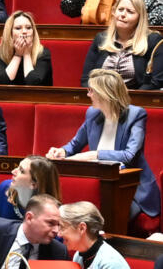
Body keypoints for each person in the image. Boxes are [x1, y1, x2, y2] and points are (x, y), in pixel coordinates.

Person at [47, 69, 162, 235]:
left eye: (91, 90)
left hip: (130, 189)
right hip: (99, 184)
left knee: (100, 217)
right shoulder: (92, 114)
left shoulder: (136, 115)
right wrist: (61, 151)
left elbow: (129, 156)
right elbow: (74, 144)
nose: (88, 94)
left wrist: (95, 154)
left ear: (104, 93)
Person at [79, 0, 163, 89]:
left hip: (134, 99)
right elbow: (86, 79)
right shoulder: (101, 39)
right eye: (120, 10)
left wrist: (130, 100)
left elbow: (156, 82)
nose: (123, 15)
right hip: (101, 99)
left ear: (140, 18)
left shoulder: (153, 40)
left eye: (130, 12)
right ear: (114, 12)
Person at [59, 202, 130, 268]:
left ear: (82, 228)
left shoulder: (111, 263)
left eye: (62, 227)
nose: (59, 234)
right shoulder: (78, 256)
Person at [0, 156, 61, 220]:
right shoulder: (4, 187)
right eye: (18, 167)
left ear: (34, 184)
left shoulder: (50, 210)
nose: (13, 171)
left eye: (21, 171)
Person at [0, 11, 53, 86]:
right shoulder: (2, 53)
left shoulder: (42, 53)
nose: (24, 32)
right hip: (11, 97)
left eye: (28, 28)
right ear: (10, 33)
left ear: (33, 32)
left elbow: (33, 84)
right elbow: (3, 83)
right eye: (18, 28)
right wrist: (18, 55)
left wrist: (27, 54)